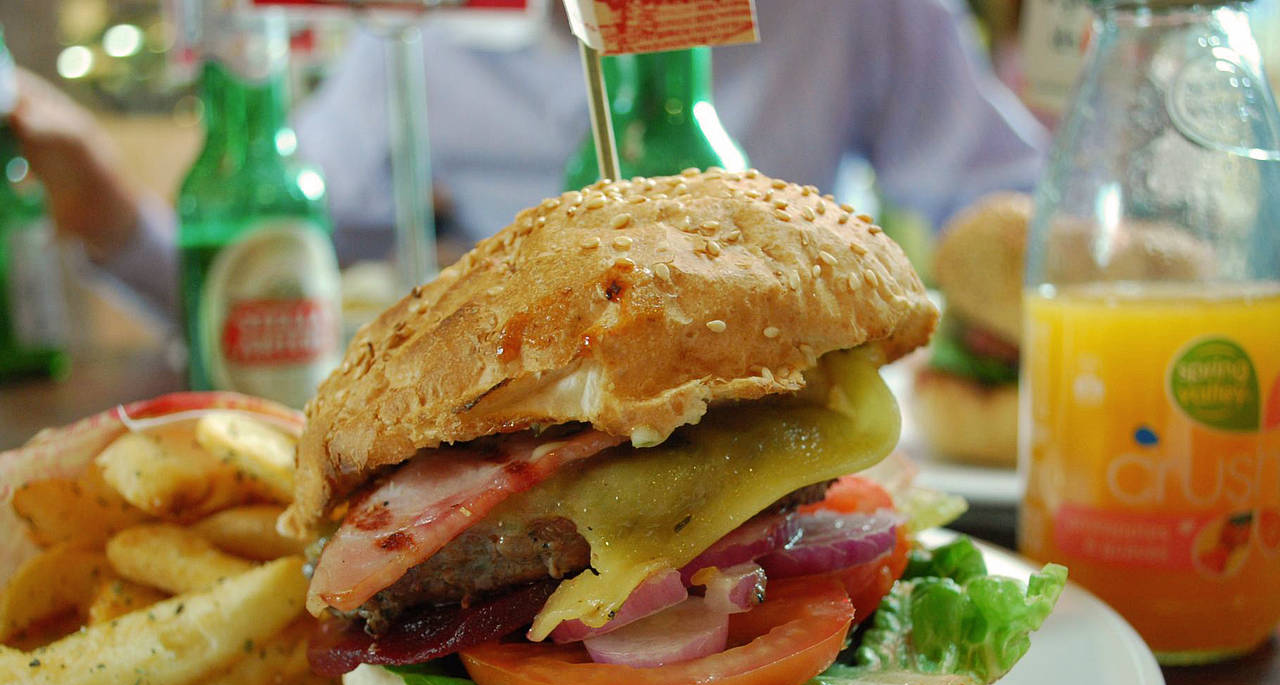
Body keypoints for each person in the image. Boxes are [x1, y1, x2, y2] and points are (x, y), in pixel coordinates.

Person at [11, 0, 1047, 324]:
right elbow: (262, 271)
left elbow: (1010, 203)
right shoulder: (410, 42)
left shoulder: (859, 13)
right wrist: (101, 200)